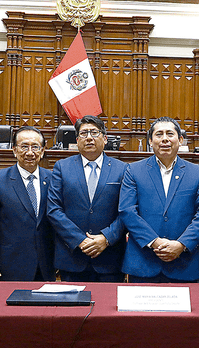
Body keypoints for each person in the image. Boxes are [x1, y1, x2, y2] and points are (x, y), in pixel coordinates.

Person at [119, 116, 199, 282]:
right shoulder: (133, 171)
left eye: (170, 134)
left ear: (181, 140)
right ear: (150, 141)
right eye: (159, 134)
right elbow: (127, 211)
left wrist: (181, 245)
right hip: (143, 263)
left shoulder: (197, 173)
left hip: (183, 263)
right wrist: (154, 242)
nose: (164, 139)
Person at [47, 115, 127, 282]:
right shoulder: (62, 167)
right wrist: (80, 240)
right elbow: (54, 210)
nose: (89, 137)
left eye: (94, 133)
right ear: (77, 140)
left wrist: (106, 239)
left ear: (105, 139)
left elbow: (127, 211)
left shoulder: (122, 169)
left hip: (109, 258)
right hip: (73, 256)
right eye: (84, 133)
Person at [0, 126, 55, 281]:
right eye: (24, 147)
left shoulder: (53, 179)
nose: (29, 152)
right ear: (14, 150)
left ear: (42, 151)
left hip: (46, 264)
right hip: (10, 263)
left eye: (35, 147)